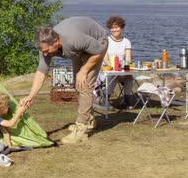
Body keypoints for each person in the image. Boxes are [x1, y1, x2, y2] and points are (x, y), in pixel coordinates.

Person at [20, 16, 108, 144]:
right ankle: (89, 120)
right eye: (42, 51)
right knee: (77, 84)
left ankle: (81, 129)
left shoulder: (73, 39)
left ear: (56, 41)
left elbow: (99, 51)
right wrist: (31, 96)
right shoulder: (44, 46)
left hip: (97, 42)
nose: (45, 54)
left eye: (46, 51)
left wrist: (84, 71)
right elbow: (41, 72)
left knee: (84, 85)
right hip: (79, 49)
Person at [102, 16, 135, 109]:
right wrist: (114, 66)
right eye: (112, 28)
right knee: (114, 76)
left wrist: (122, 64)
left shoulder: (126, 42)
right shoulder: (106, 41)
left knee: (129, 77)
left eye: (116, 27)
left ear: (121, 28)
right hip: (107, 69)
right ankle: (104, 100)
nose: (114, 30)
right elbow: (105, 59)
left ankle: (127, 101)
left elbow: (128, 59)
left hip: (121, 68)